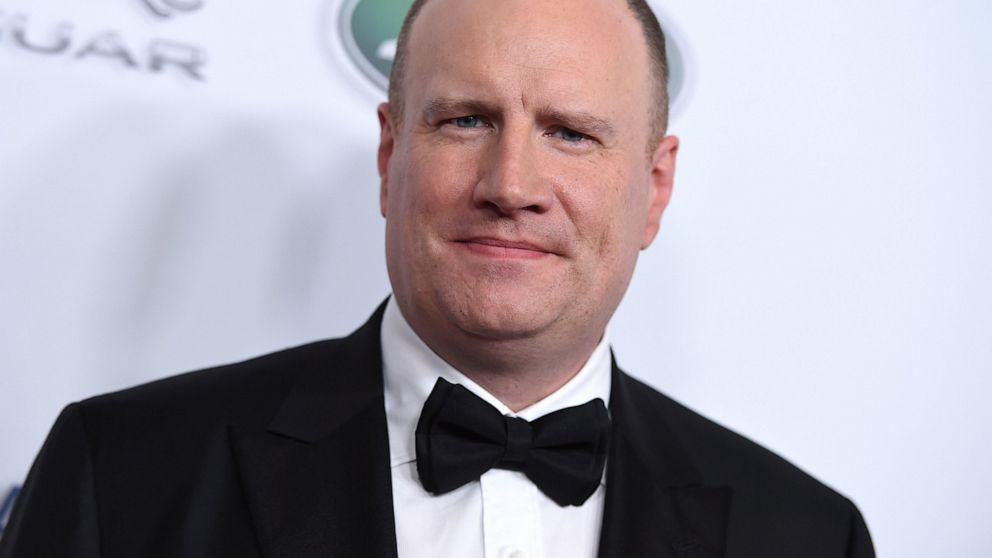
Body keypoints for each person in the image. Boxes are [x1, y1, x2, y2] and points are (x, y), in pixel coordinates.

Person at [0, 0, 875, 556]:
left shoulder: (805, 537)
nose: (511, 186)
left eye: (571, 133)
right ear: (390, 156)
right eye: (466, 120)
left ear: (654, 188)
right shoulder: (121, 473)